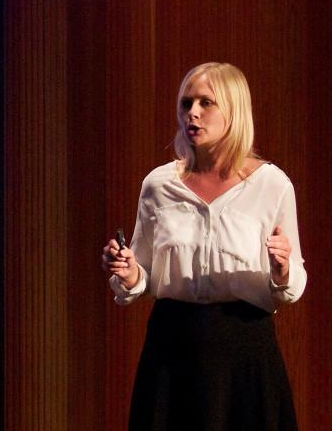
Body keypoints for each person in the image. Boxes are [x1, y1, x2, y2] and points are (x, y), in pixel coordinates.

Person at [101, 62, 306, 431]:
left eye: (206, 103)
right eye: (185, 103)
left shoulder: (272, 185)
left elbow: (293, 284)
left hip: (244, 355)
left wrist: (282, 271)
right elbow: (143, 275)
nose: (192, 113)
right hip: (172, 353)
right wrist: (130, 272)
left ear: (234, 110)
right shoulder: (158, 186)